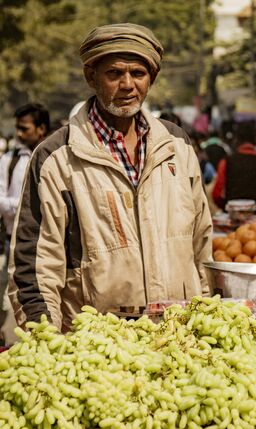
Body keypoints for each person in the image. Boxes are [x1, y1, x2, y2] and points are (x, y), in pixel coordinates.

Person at [8, 23, 213, 332]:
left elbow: (202, 247)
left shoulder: (177, 146)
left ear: (152, 79)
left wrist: (205, 324)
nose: (127, 85)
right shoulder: (57, 158)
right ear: (92, 77)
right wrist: (46, 344)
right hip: (95, 348)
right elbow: (33, 270)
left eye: (138, 74)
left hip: (178, 341)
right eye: (114, 74)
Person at [0, 103, 50, 343]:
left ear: (41, 129)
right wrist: (25, 205)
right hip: (15, 243)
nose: (19, 134)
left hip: (51, 247)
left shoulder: (56, 158)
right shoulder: (10, 160)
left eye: (25, 128)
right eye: (18, 129)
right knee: (11, 297)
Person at [212, 121, 256, 211]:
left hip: (231, 217)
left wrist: (227, 207)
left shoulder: (226, 161)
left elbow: (216, 195)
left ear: (236, 139)